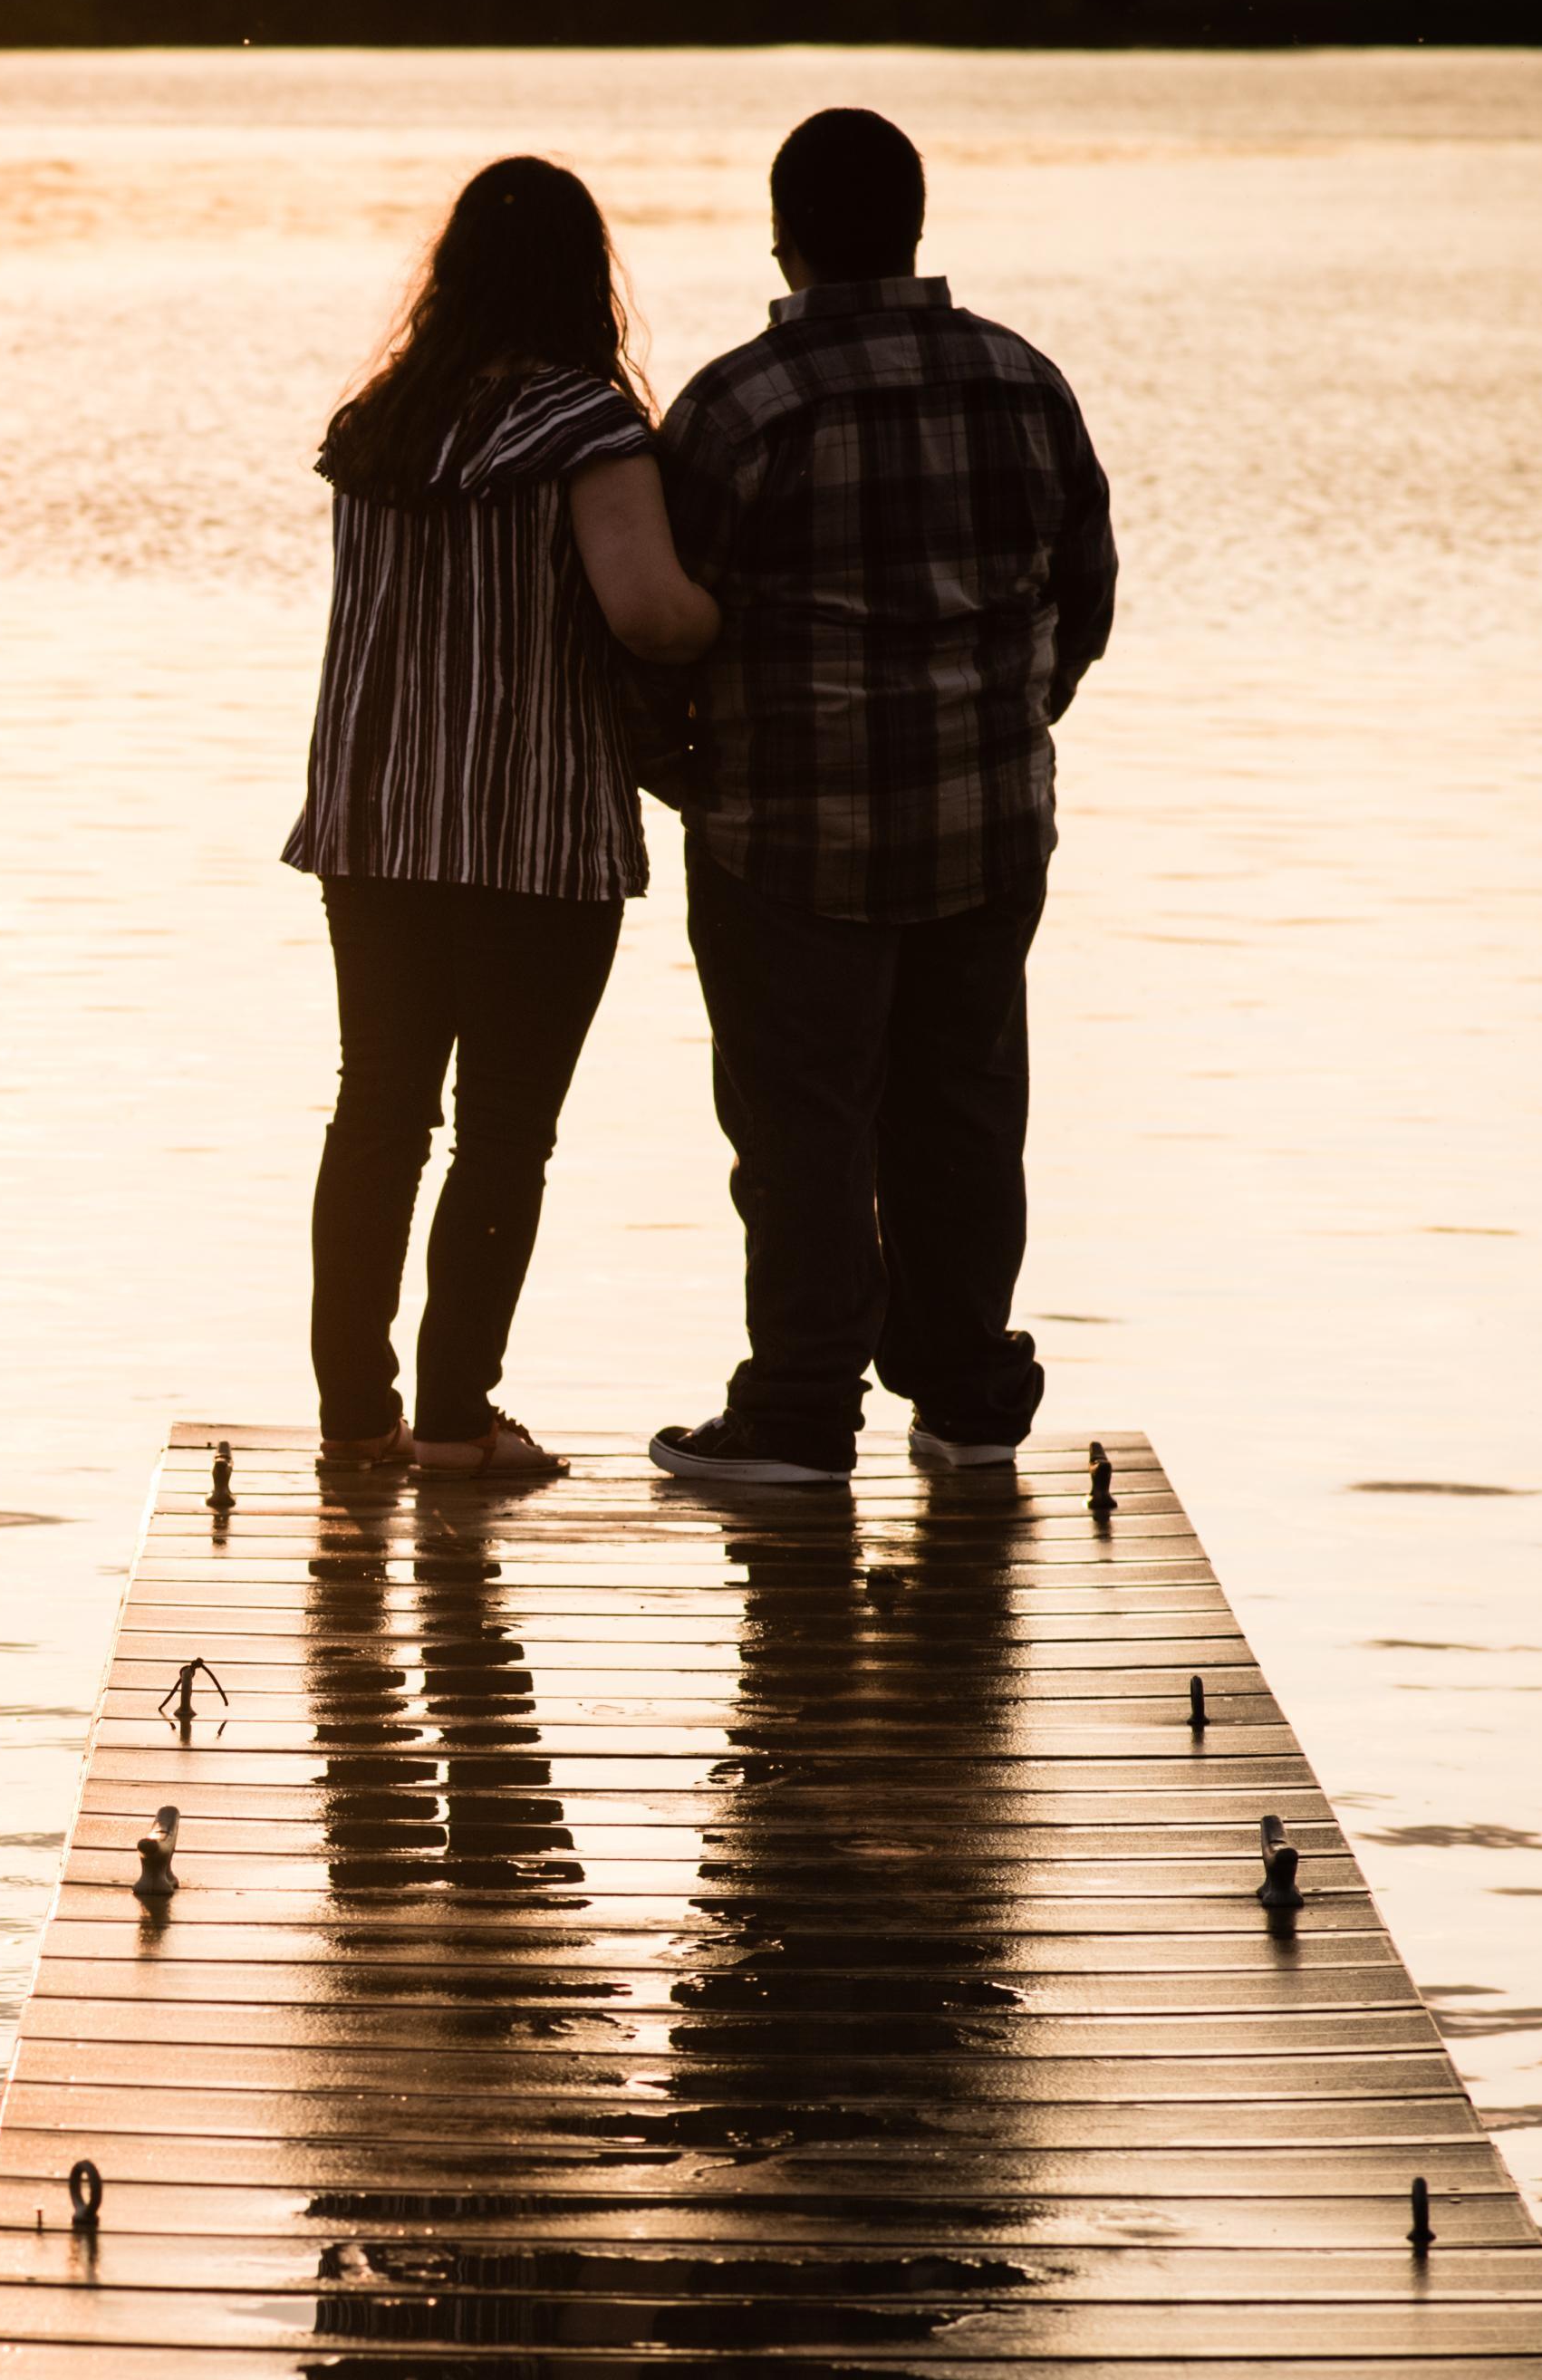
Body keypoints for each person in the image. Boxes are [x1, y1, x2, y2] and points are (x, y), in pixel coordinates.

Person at [641, 108, 1116, 1488]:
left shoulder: (742, 403)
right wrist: (1014, 727)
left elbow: (658, 625)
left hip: (786, 836)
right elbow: (1081, 596)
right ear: (914, 224)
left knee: (803, 1127)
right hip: (986, 825)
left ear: (784, 236)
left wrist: (686, 776)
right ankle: (967, 1403)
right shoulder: (1026, 383)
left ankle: (797, 1413)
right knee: (962, 1114)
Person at [286, 157, 718, 1477]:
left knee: (378, 1112)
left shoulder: (379, 425)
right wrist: (730, 614)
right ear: (581, 281)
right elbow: (648, 613)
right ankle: (461, 1423)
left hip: (376, 827)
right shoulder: (583, 425)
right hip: (532, 834)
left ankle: (357, 1417)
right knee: (503, 1133)